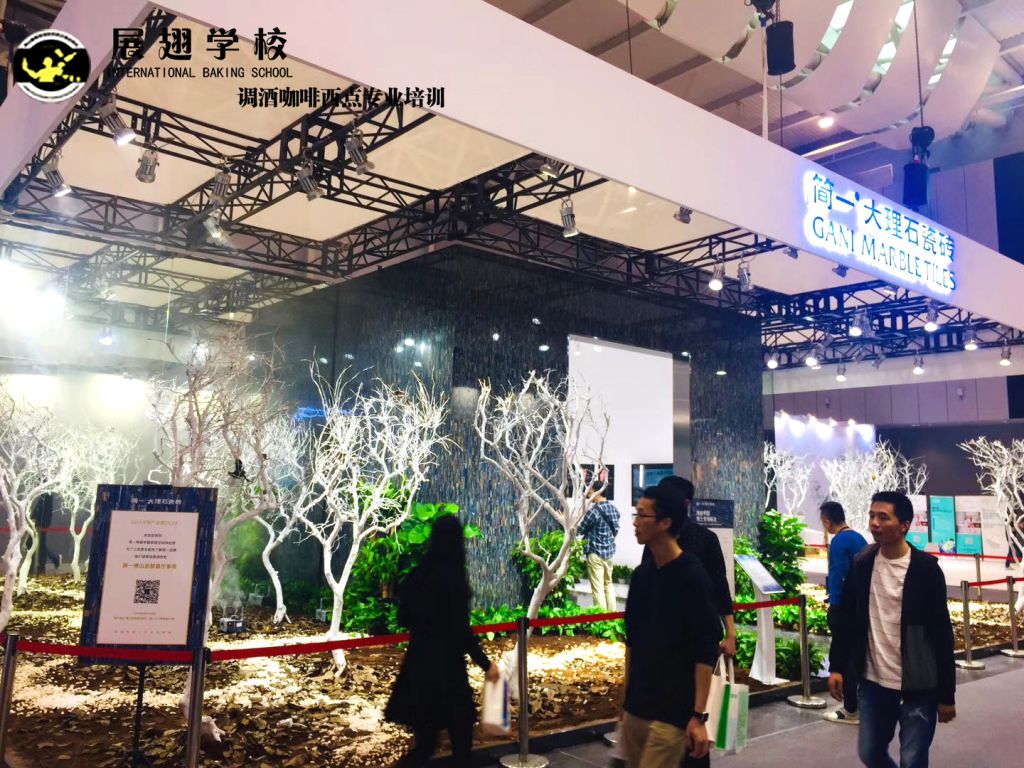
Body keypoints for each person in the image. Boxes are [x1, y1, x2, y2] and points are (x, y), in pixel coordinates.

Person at [828, 491, 956, 768]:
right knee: (870, 753)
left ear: (904, 525)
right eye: (872, 516)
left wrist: (947, 694)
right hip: (873, 683)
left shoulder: (925, 570)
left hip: (918, 685)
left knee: (912, 759)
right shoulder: (862, 563)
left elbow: (942, 633)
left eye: (883, 517)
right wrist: (837, 666)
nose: (874, 523)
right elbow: (847, 620)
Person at [385, 515, 501, 767]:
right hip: (448, 667)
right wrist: (486, 664)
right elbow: (461, 630)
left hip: (419, 663)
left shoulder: (418, 574)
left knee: (426, 741)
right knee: (461, 731)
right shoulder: (453, 577)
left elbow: (403, 617)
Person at [621, 484, 722, 768]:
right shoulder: (642, 575)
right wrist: (626, 700)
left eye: (643, 515)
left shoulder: (692, 576)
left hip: (672, 715)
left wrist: (698, 716)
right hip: (637, 709)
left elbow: (705, 649)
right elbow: (632, 641)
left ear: (665, 523)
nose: (636, 522)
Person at [654, 476, 737, 658]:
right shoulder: (655, 538)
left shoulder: (706, 539)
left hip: (699, 636)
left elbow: (720, 586)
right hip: (661, 635)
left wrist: (730, 633)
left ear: (686, 504)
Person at [819, 500, 867, 725]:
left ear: (827, 521)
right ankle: (861, 705)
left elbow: (838, 575)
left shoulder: (838, 542)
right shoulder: (858, 538)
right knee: (858, 655)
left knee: (846, 657)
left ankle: (850, 709)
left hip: (845, 608)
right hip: (862, 606)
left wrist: (835, 605)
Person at [579, 490, 620, 611]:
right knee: (608, 585)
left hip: (595, 553)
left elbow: (580, 529)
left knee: (598, 588)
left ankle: (601, 619)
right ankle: (612, 617)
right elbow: (615, 530)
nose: (589, 495)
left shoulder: (593, 511)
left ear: (597, 493)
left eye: (590, 492)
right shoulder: (614, 509)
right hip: (609, 554)